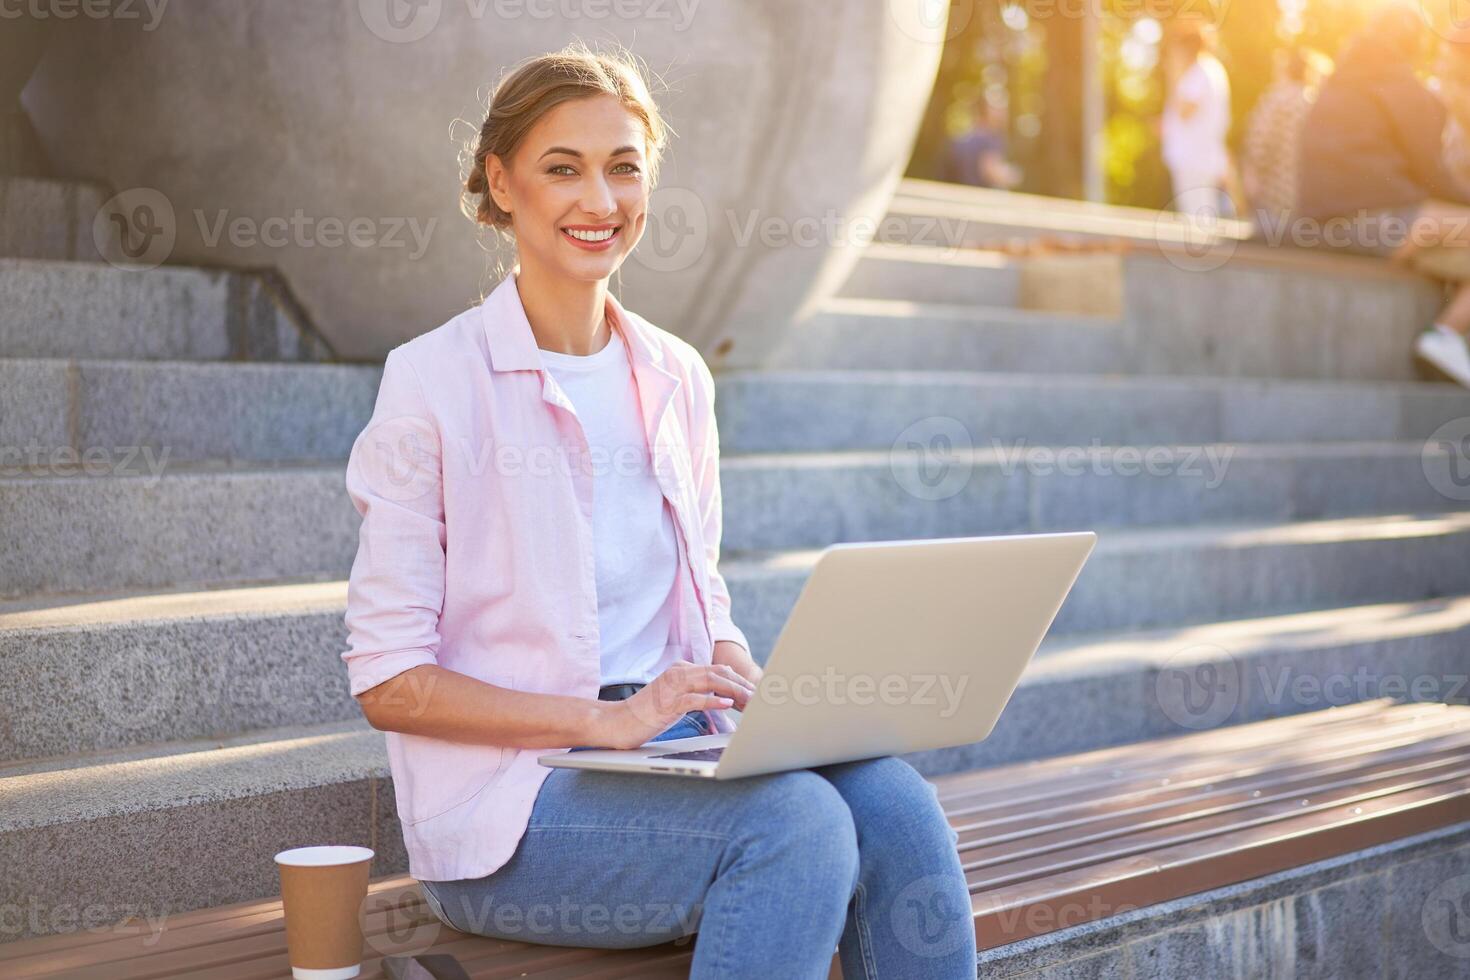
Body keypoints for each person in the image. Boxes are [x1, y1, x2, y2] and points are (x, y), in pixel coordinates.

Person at [340, 42, 977, 980]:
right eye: (564, 169)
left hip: (670, 750)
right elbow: (387, 682)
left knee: (894, 803)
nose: (600, 201)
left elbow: (701, 599)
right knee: (795, 827)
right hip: (511, 815)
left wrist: (741, 676)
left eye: (624, 168)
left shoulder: (676, 375)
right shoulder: (432, 382)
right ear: (501, 183)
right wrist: (603, 723)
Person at [1297, 3, 1470, 387]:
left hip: (1322, 224)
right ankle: (1444, 336)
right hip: (1380, 222)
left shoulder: (1340, 82)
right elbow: (1433, 175)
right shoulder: (1401, 87)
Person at [1161, 20, 1240, 221]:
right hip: (1199, 158)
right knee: (1200, 217)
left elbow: (1185, 112)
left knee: (1197, 221)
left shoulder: (1199, 72)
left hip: (1195, 160)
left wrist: (1174, 76)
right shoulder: (1208, 70)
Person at [1241, 47, 1326, 227]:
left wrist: (1251, 172)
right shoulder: (1313, 101)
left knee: (1268, 242)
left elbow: (1259, 140)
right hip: (1302, 192)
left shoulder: (1276, 98)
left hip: (1273, 189)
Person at [944, 97, 1020, 189]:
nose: (1005, 114)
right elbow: (992, 173)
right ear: (991, 112)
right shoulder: (991, 138)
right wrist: (1014, 175)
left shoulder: (963, 137)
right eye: (1001, 110)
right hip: (977, 197)